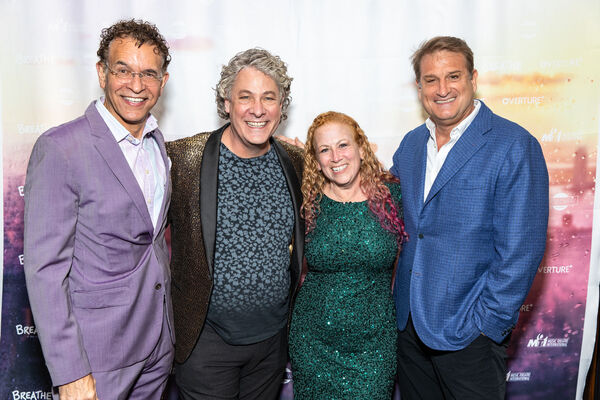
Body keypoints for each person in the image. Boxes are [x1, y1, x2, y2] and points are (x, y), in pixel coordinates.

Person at [391, 36, 549, 399]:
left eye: (453, 76)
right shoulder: (412, 144)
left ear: (472, 77)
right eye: (431, 80)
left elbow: (521, 249)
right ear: (419, 87)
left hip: (469, 332)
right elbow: (382, 202)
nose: (442, 88)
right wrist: (319, 163)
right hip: (409, 328)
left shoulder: (513, 144)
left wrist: (488, 324)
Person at [23, 19, 173, 400]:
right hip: (97, 355)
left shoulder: (158, 143)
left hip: (157, 347)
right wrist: (71, 370)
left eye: (148, 74)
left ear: (163, 81)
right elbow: (45, 269)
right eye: (123, 70)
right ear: (102, 73)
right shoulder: (61, 148)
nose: (136, 85)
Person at [166, 48, 304, 400]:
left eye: (268, 98)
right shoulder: (183, 159)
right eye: (246, 97)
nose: (257, 109)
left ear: (281, 105)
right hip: (205, 344)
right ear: (227, 102)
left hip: (272, 345)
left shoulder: (297, 162)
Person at [289, 111, 406, 399]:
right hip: (313, 342)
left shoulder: (393, 197)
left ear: (361, 148)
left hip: (374, 346)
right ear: (316, 160)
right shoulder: (307, 203)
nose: (335, 157)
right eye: (324, 150)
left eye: (343, 145)